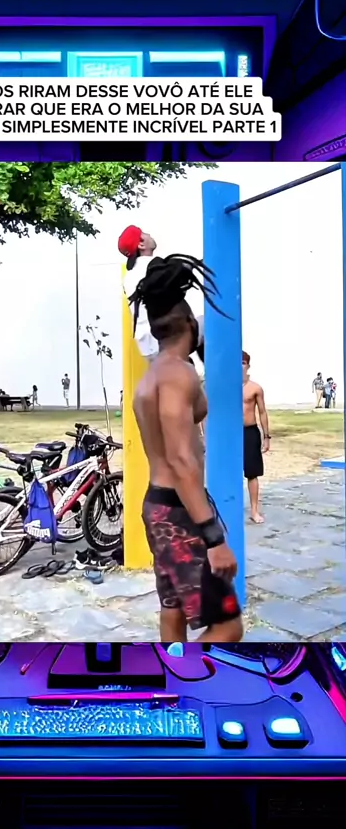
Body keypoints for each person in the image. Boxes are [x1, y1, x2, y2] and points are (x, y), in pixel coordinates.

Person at [128, 254, 243, 644]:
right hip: (179, 511)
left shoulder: (154, 377)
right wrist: (214, 539)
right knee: (228, 626)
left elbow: (199, 408)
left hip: (157, 505)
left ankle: (169, 668)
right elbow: (181, 459)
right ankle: (188, 674)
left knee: (174, 608)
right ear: (191, 324)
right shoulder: (178, 375)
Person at [119, 225, 205, 365]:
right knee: (211, 323)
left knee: (183, 367)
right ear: (141, 244)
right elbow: (183, 271)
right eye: (144, 233)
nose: (149, 234)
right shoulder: (154, 266)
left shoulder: (128, 277)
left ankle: (188, 366)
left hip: (147, 347)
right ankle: (221, 374)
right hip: (166, 340)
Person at [242, 352, 270, 524]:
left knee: (252, 474)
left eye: (243, 363)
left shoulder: (255, 388)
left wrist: (267, 437)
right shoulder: (226, 387)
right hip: (231, 434)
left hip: (249, 432)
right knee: (229, 472)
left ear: (248, 366)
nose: (240, 366)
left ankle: (254, 511)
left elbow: (262, 412)